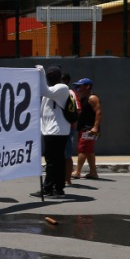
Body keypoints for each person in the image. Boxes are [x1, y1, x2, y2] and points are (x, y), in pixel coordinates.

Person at [38, 65, 72, 198]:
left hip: (56, 132)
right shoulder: (52, 90)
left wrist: (41, 72)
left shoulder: (62, 88)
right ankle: (58, 188)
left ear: (58, 77)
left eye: (52, 75)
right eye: (48, 75)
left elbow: (43, 90)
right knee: (57, 161)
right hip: (52, 131)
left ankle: (48, 188)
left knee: (52, 162)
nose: (49, 77)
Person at [72, 77, 103, 180]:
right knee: (89, 151)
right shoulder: (83, 98)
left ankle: (77, 171)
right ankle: (93, 172)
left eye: (80, 86)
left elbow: (98, 112)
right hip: (84, 128)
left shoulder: (92, 98)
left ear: (88, 86)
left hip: (89, 129)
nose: (78, 88)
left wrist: (95, 127)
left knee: (83, 150)